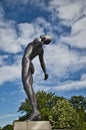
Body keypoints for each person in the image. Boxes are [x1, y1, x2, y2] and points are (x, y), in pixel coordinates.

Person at [22, 35, 52, 121]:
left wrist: (45, 72)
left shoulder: (37, 41)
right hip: (30, 64)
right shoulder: (39, 48)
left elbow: (41, 61)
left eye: (43, 39)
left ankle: (35, 111)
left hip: (27, 62)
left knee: (26, 84)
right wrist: (45, 72)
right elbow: (42, 61)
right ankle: (37, 113)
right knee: (28, 85)